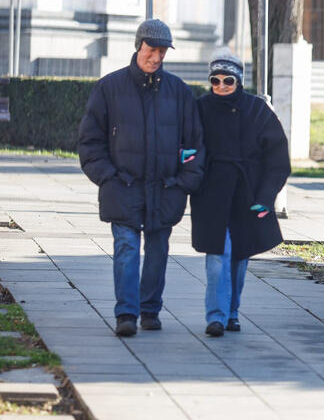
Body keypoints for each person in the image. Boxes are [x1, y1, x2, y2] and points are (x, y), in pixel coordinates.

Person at [77, 18, 204, 337]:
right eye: (152, 49)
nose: (157, 57)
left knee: (158, 253)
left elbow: (195, 145)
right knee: (127, 250)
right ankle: (126, 315)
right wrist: (108, 177)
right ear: (139, 46)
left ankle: (150, 310)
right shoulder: (110, 87)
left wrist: (184, 181)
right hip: (123, 187)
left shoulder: (179, 92)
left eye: (162, 51)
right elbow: (90, 142)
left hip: (166, 189)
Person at [190, 50, 290, 337]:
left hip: (247, 194)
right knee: (218, 255)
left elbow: (277, 159)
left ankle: (232, 312)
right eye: (215, 80)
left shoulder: (258, 111)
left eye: (228, 80)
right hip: (211, 195)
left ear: (239, 81)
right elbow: (188, 147)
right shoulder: (200, 108)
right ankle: (216, 317)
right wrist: (193, 179)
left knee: (239, 257)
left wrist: (266, 196)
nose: (221, 86)